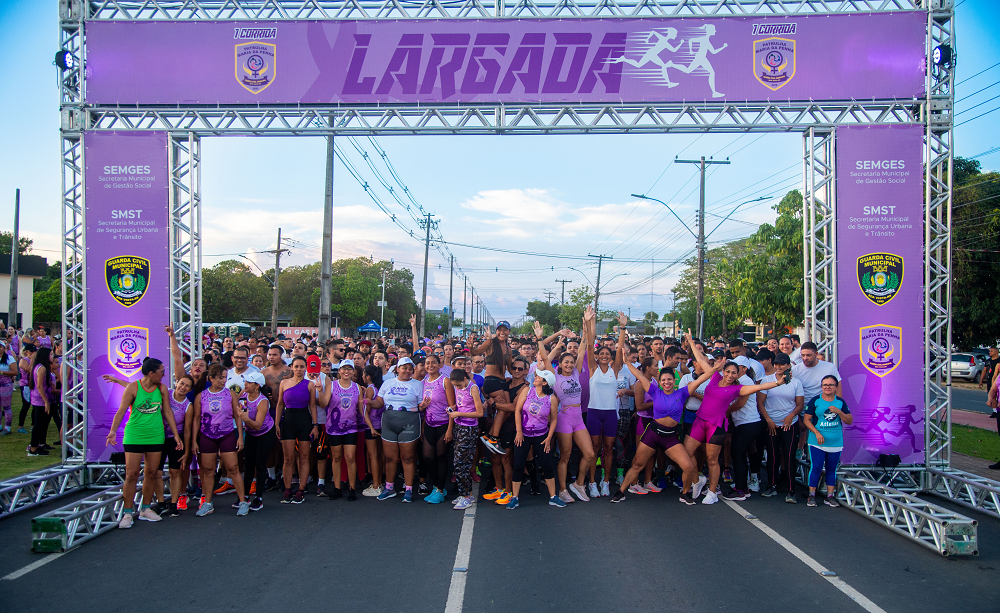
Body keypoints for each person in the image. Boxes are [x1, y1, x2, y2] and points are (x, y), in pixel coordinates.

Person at [614, 331, 722, 504]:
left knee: (687, 466)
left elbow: (702, 378)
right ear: (660, 381)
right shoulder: (655, 391)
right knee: (637, 464)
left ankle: (685, 494)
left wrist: (715, 369)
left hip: (670, 436)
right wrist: (627, 361)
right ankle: (621, 491)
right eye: (663, 379)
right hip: (653, 432)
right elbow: (640, 376)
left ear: (674, 380)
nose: (666, 382)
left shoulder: (683, 392)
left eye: (669, 380)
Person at [684, 333, 787, 504]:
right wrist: (689, 341)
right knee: (687, 453)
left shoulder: (738, 388)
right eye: (729, 372)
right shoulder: (715, 377)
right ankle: (698, 480)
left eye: (734, 373)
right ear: (723, 371)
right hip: (699, 421)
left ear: (738, 373)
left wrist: (778, 383)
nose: (731, 375)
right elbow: (701, 359)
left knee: (711, 459)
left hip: (716, 425)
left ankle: (712, 492)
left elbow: (760, 386)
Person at [106, 358, 183, 528]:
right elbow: (121, 410)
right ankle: (127, 512)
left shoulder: (162, 389)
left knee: (151, 473)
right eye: (161, 371)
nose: (164, 374)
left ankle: (146, 509)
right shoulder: (133, 387)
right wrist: (112, 431)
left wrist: (176, 435)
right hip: (135, 434)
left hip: (156, 435)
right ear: (151, 373)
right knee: (131, 474)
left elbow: (168, 412)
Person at [535, 310, 596, 503]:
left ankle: (578, 484)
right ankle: (562, 489)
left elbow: (585, 345)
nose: (570, 364)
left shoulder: (577, 373)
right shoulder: (554, 377)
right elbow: (544, 358)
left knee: (589, 453)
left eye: (572, 362)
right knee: (566, 455)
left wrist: (586, 324)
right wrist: (539, 339)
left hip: (578, 417)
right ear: (560, 365)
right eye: (566, 362)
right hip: (563, 418)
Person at [192, 363, 248, 516]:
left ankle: (243, 501)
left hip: (226, 434)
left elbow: (238, 416)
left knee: (233, 468)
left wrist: (240, 437)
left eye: (225, 377)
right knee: (208, 470)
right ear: (211, 378)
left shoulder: (230, 394)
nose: (223, 380)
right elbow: (196, 419)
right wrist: (193, 441)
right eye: (220, 378)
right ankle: (208, 503)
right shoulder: (201, 396)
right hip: (207, 435)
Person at [369, 349, 424, 502]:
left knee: (407, 457)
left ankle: (408, 489)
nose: (407, 371)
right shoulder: (388, 383)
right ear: (397, 368)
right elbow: (379, 402)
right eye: (404, 367)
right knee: (389, 458)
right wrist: (369, 402)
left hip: (409, 421)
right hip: (389, 421)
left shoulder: (418, 385)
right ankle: (389, 487)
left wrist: (424, 405)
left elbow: (421, 406)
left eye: (409, 368)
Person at [584, 312, 628, 498]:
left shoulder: (614, 369)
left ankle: (606, 481)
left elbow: (619, 350)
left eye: (607, 354)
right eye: (601, 353)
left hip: (610, 413)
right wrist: (588, 323)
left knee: (609, 448)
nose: (604, 355)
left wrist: (623, 328)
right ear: (596, 356)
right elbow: (588, 344)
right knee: (595, 448)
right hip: (594, 412)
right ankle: (592, 482)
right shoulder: (592, 368)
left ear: (610, 357)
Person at [507, 368, 563, 509]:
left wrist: (549, 438)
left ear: (545, 383)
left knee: (547, 465)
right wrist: (519, 431)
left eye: (539, 377)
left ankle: (553, 496)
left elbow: (554, 420)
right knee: (519, 464)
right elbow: (518, 410)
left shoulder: (552, 399)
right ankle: (515, 497)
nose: (536, 377)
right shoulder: (527, 390)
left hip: (542, 435)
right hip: (523, 434)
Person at [759, 352, 804, 501]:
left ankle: (791, 490)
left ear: (788, 366)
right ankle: (772, 485)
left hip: (790, 425)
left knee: (789, 456)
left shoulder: (796, 382)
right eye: (776, 364)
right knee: (772, 456)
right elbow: (760, 403)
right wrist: (768, 420)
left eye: (782, 364)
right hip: (772, 424)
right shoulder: (767, 380)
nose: (778, 366)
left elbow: (800, 405)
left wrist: (791, 416)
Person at [274, 355, 320, 504]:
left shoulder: (310, 384)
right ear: (292, 368)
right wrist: (276, 423)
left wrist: (315, 425)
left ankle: (301, 489)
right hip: (288, 420)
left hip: (304, 420)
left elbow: (312, 406)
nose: (299, 369)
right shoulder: (284, 383)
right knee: (288, 458)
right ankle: (288, 489)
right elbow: (280, 404)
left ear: (306, 368)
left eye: (302, 367)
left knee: (304, 457)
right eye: (296, 366)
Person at [802, 375, 852, 507]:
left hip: (835, 441)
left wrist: (839, 412)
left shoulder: (840, 402)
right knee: (816, 467)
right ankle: (811, 495)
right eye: (825, 385)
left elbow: (849, 420)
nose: (827, 387)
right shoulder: (815, 401)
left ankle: (829, 496)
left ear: (836, 387)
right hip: (817, 441)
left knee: (831, 469)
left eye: (830, 385)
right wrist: (817, 433)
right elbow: (806, 420)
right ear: (821, 387)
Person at [470, 321, 515, 455]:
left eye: (505, 330)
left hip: (502, 381)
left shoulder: (509, 349)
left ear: (509, 332)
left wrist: (522, 377)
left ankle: (489, 436)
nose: (502, 333)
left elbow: (510, 368)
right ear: (496, 331)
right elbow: (475, 352)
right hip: (491, 381)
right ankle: (493, 438)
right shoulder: (490, 343)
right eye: (499, 330)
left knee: (508, 410)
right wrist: (471, 346)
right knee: (504, 407)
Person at [420, 353, 457, 504]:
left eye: (433, 363)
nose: (430, 365)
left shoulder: (445, 381)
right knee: (428, 456)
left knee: (441, 457)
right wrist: (422, 408)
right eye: (427, 363)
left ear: (439, 363)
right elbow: (423, 407)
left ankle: (440, 489)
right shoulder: (423, 381)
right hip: (429, 423)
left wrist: (450, 429)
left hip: (443, 424)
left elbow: (452, 407)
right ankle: (437, 486)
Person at [446, 368, 485, 510]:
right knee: (460, 463)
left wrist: (458, 413)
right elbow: (461, 404)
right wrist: (453, 410)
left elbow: (479, 412)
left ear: (464, 379)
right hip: (458, 426)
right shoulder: (458, 387)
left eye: (458, 385)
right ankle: (466, 493)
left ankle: (466, 495)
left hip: (469, 428)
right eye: (455, 385)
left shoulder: (473, 388)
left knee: (460, 462)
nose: (457, 388)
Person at [326, 360, 363, 501]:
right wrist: (318, 390)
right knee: (336, 458)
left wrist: (370, 423)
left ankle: (352, 488)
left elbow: (361, 409)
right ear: (339, 371)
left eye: (349, 369)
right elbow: (324, 403)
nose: (346, 371)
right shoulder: (332, 386)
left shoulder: (357, 387)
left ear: (353, 371)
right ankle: (337, 488)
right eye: (344, 369)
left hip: (351, 427)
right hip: (334, 427)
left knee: (350, 457)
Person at [239, 372, 274, 511]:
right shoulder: (244, 395)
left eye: (249, 382)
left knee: (260, 465)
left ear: (258, 386)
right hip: (251, 433)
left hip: (265, 432)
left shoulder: (263, 401)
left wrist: (245, 418)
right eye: (245, 381)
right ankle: (245, 496)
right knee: (248, 464)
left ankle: (258, 497)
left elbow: (258, 424)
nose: (245, 384)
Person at [27, 347, 58, 456]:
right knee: (38, 424)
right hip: (40, 399)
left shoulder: (38, 367)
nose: (52, 356)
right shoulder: (42, 368)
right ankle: (33, 448)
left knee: (40, 423)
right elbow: (39, 386)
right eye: (51, 354)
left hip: (37, 398)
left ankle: (37, 445)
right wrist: (46, 401)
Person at [362, 364, 385, 496]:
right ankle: (379, 482)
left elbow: (366, 411)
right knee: (379, 455)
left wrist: (370, 427)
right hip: (380, 424)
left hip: (371, 426)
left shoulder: (370, 389)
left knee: (373, 456)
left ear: (368, 376)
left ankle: (376, 485)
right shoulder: (380, 387)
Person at [0, 341, 16, 435]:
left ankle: (7, 427)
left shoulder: (9, 358)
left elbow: (15, 372)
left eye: (0, 347)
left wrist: (2, 372)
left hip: (5, 385)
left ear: (3, 348)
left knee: (6, 406)